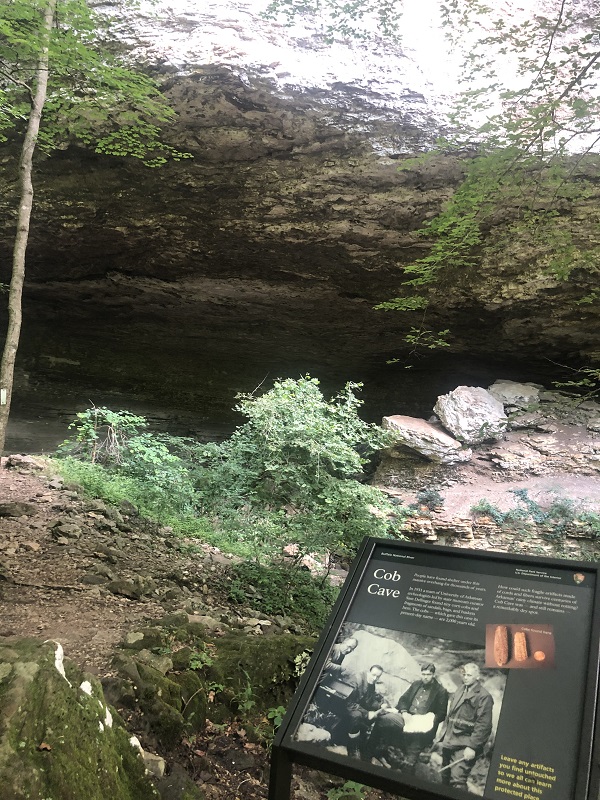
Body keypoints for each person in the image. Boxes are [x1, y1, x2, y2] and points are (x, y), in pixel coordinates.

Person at [368, 663, 448, 771]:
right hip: (406, 718)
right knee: (383, 719)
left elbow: (442, 714)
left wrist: (425, 720)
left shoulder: (441, 691)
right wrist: (404, 712)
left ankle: (405, 770)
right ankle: (369, 751)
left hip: (422, 725)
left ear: (433, 675)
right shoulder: (416, 684)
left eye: (428, 675)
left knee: (410, 758)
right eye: (423, 674)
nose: (425, 677)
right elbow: (403, 699)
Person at [439, 662, 494, 793]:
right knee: (445, 775)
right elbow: (451, 714)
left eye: (469, 675)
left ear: (477, 677)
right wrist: (443, 734)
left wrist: (472, 747)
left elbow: (484, 725)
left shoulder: (484, 696)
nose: (465, 677)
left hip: (466, 745)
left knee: (457, 779)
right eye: (464, 674)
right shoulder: (460, 689)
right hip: (450, 741)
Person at [341, 664, 387, 759]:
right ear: (368, 672)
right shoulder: (357, 680)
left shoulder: (371, 683)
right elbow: (348, 702)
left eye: (378, 676)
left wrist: (380, 705)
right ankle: (352, 746)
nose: (375, 678)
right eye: (373, 675)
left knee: (374, 714)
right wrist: (366, 713)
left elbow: (368, 700)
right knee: (357, 715)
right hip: (343, 705)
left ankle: (361, 739)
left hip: (355, 705)